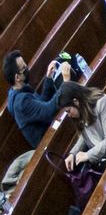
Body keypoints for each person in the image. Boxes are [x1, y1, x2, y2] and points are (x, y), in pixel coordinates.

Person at [3, 52, 63, 200]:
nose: (27, 68)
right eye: (24, 68)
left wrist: (48, 79)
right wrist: (66, 84)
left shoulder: (19, 91)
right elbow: (48, 111)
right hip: (50, 145)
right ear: (17, 77)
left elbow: (41, 105)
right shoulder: (21, 101)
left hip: (49, 135)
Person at [56, 80, 106, 173]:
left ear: (76, 102)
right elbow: (86, 134)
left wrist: (88, 155)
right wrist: (74, 153)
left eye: (68, 111)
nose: (69, 115)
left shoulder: (102, 102)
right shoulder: (82, 109)